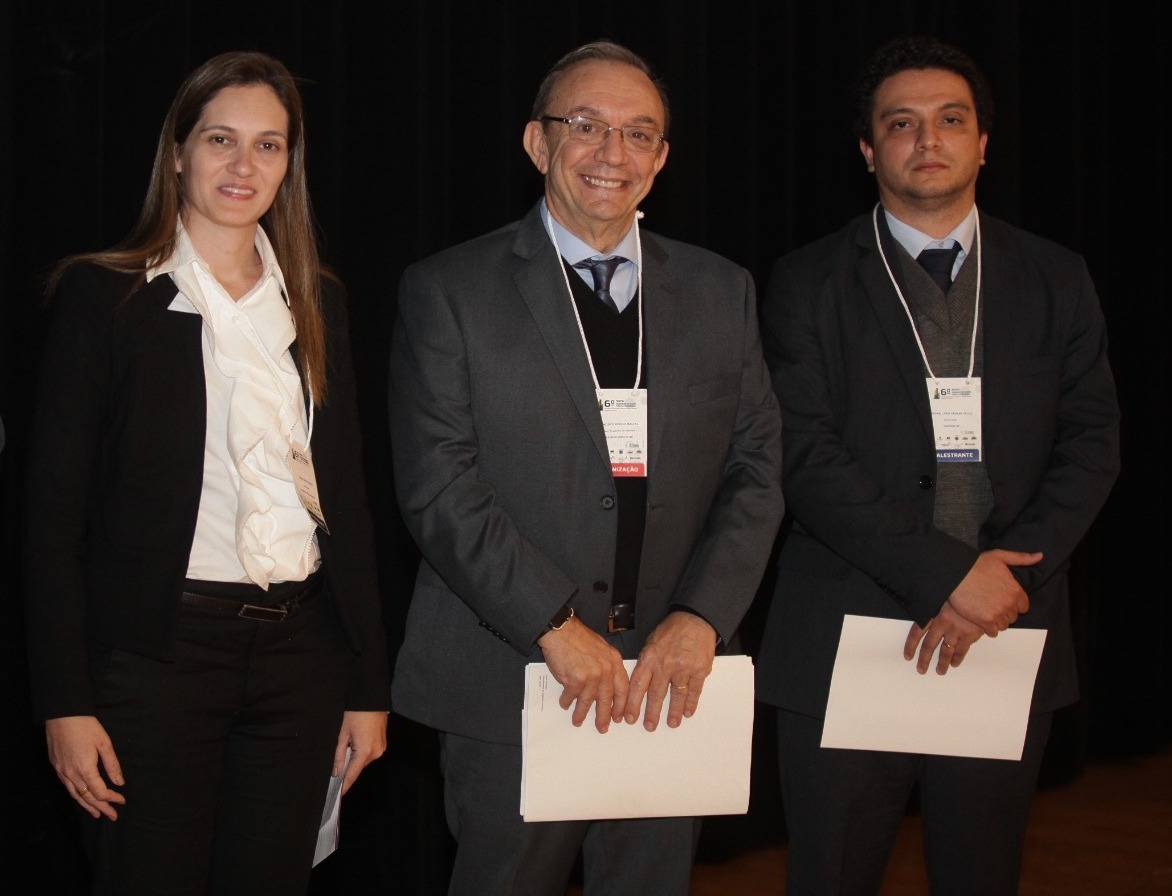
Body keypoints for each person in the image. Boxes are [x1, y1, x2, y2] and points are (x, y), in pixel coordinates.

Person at [388, 39, 783, 896]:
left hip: (673, 676)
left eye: (639, 133)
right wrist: (554, 626)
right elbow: (438, 488)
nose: (614, 152)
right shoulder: (450, 289)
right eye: (587, 125)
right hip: (514, 675)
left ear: (662, 158)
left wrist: (702, 617)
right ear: (538, 142)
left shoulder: (722, 291)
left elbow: (757, 472)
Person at [754, 34, 1121, 894]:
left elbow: (1093, 443)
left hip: (1004, 629)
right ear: (867, 149)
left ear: (983, 143)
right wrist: (950, 575)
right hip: (849, 634)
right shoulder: (805, 282)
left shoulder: (1056, 277)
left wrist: (1003, 580)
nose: (928, 139)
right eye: (901, 122)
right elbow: (803, 454)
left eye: (951, 120)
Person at [23, 51, 391, 895]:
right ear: (179, 151)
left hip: (301, 659)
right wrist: (63, 702)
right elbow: (51, 521)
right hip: (158, 662)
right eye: (221, 139)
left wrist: (367, 684)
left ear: (289, 164)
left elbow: (349, 504)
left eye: (268, 145)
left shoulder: (318, 301)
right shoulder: (105, 296)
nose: (243, 165)